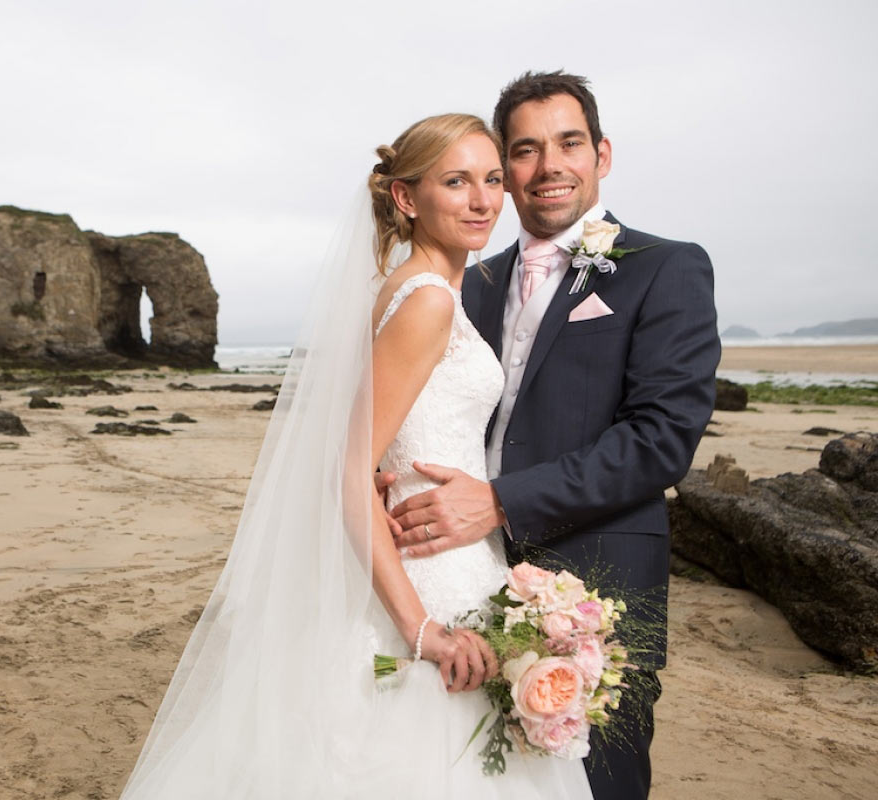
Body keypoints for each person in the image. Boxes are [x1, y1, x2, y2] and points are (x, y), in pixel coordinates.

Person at [118, 113, 592, 799]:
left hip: (447, 554)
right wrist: (420, 627)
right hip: (430, 577)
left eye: (492, 179)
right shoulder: (426, 301)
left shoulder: (407, 288)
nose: (483, 200)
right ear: (407, 198)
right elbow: (350, 469)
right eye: (456, 182)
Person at [388, 71, 720, 800]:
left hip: (596, 591)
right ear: (506, 170)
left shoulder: (665, 268)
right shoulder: (467, 282)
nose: (549, 166)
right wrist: (391, 469)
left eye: (569, 142)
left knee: (598, 784)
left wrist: (501, 501)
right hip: (463, 579)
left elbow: (661, 438)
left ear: (602, 153)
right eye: (527, 150)